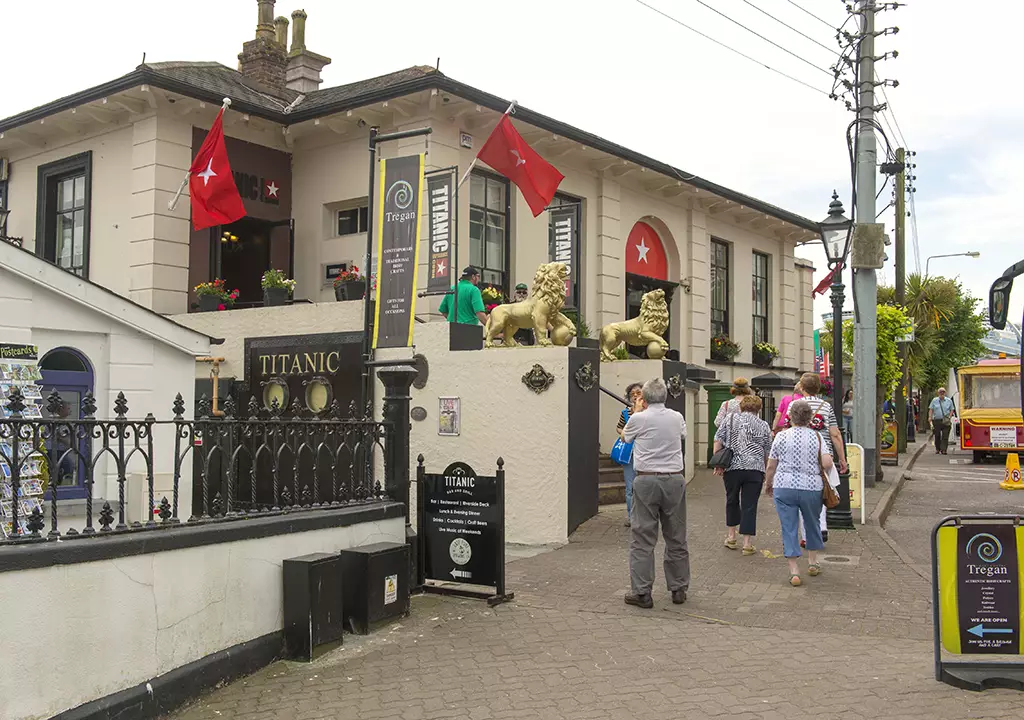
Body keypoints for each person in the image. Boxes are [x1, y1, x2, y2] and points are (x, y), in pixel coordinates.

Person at [622, 377, 688, 609]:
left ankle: (642, 592)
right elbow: (681, 435)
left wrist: (637, 411)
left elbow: (625, 437)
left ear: (646, 398)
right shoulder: (677, 417)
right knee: (676, 535)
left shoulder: (638, 419)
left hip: (647, 478)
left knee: (642, 537)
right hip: (674, 477)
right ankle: (678, 587)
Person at [766, 399, 833, 587]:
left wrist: (768, 483)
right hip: (811, 487)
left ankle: (794, 570)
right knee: (812, 523)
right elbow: (827, 463)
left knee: (789, 526)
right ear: (810, 418)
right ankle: (812, 562)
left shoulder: (781, 436)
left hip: (784, 486)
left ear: (790, 417)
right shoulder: (817, 437)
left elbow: (772, 465)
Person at [781, 373, 846, 545]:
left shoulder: (795, 405)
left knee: (802, 489)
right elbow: (835, 434)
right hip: (823, 454)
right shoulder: (826, 406)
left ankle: (806, 535)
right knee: (822, 489)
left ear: (801, 387)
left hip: (799, 453)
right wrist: (842, 459)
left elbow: (787, 428)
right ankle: (821, 526)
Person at [712, 394, 772, 555]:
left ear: (742, 406)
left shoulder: (731, 418)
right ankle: (747, 543)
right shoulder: (764, 425)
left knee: (731, 499)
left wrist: (718, 462)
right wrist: (766, 470)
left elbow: (718, 439)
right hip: (755, 469)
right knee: (750, 505)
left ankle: (731, 537)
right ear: (759, 408)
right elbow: (767, 451)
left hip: (732, 467)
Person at [616, 383, 644, 527]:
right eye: (632, 393)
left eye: (638, 393)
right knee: (629, 487)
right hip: (629, 453)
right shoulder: (626, 413)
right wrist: (624, 434)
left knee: (645, 486)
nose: (635, 395)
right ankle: (631, 516)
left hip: (645, 453)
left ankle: (644, 515)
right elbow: (619, 427)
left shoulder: (647, 412)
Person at [928, 387, 956, 455]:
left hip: (945, 420)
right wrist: (930, 417)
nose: (942, 393)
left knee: (945, 436)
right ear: (938, 393)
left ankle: (944, 450)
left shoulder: (949, 400)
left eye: (943, 392)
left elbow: (952, 409)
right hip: (937, 420)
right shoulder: (934, 400)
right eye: (940, 392)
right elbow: (931, 409)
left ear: (945, 393)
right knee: (937, 435)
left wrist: (949, 416)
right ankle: (938, 449)